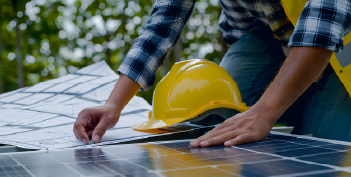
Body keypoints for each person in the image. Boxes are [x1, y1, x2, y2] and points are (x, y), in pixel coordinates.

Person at [73, 0, 351, 148]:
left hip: (344, 40)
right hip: (263, 38)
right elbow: (162, 23)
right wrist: (114, 103)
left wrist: (265, 112)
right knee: (215, 117)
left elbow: (323, 22)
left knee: (331, 152)